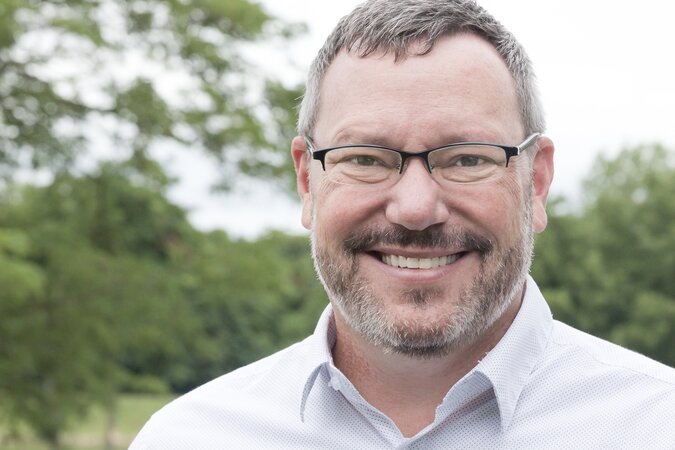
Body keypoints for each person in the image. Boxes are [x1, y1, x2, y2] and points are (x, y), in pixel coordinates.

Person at [130, 0, 675, 448]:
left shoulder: (656, 427)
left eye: (467, 158)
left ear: (536, 182)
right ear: (307, 181)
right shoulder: (189, 438)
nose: (415, 209)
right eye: (365, 159)